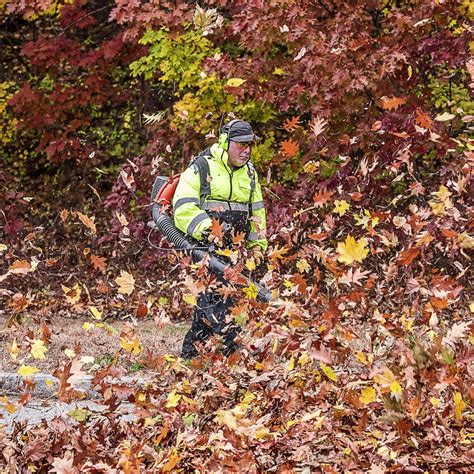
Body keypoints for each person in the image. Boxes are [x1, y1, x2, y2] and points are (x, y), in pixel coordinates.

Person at [172, 119, 268, 358]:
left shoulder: (250, 175)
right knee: (217, 300)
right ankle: (233, 352)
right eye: (241, 145)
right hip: (204, 246)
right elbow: (183, 206)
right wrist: (208, 229)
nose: (246, 150)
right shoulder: (202, 167)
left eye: (250, 145)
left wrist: (256, 246)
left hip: (236, 251)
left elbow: (256, 213)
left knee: (216, 301)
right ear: (226, 143)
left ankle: (192, 354)